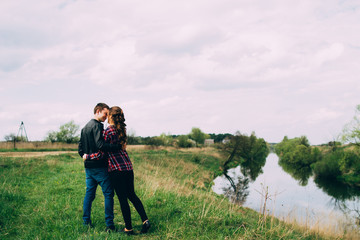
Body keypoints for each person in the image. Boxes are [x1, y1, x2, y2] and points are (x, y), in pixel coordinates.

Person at [86, 106, 150, 235]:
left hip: (116, 169)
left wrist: (88, 156)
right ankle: (145, 221)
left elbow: (102, 152)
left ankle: (129, 228)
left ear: (110, 116)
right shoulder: (123, 130)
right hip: (127, 167)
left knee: (122, 199)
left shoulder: (108, 131)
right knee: (132, 195)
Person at [78, 103, 119, 232]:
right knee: (108, 194)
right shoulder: (97, 126)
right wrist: (117, 147)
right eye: (105, 114)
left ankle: (86, 222)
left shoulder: (85, 127)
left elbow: (80, 149)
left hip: (88, 167)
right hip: (100, 166)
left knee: (89, 195)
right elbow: (101, 145)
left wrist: (85, 156)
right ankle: (109, 225)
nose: (106, 117)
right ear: (98, 111)